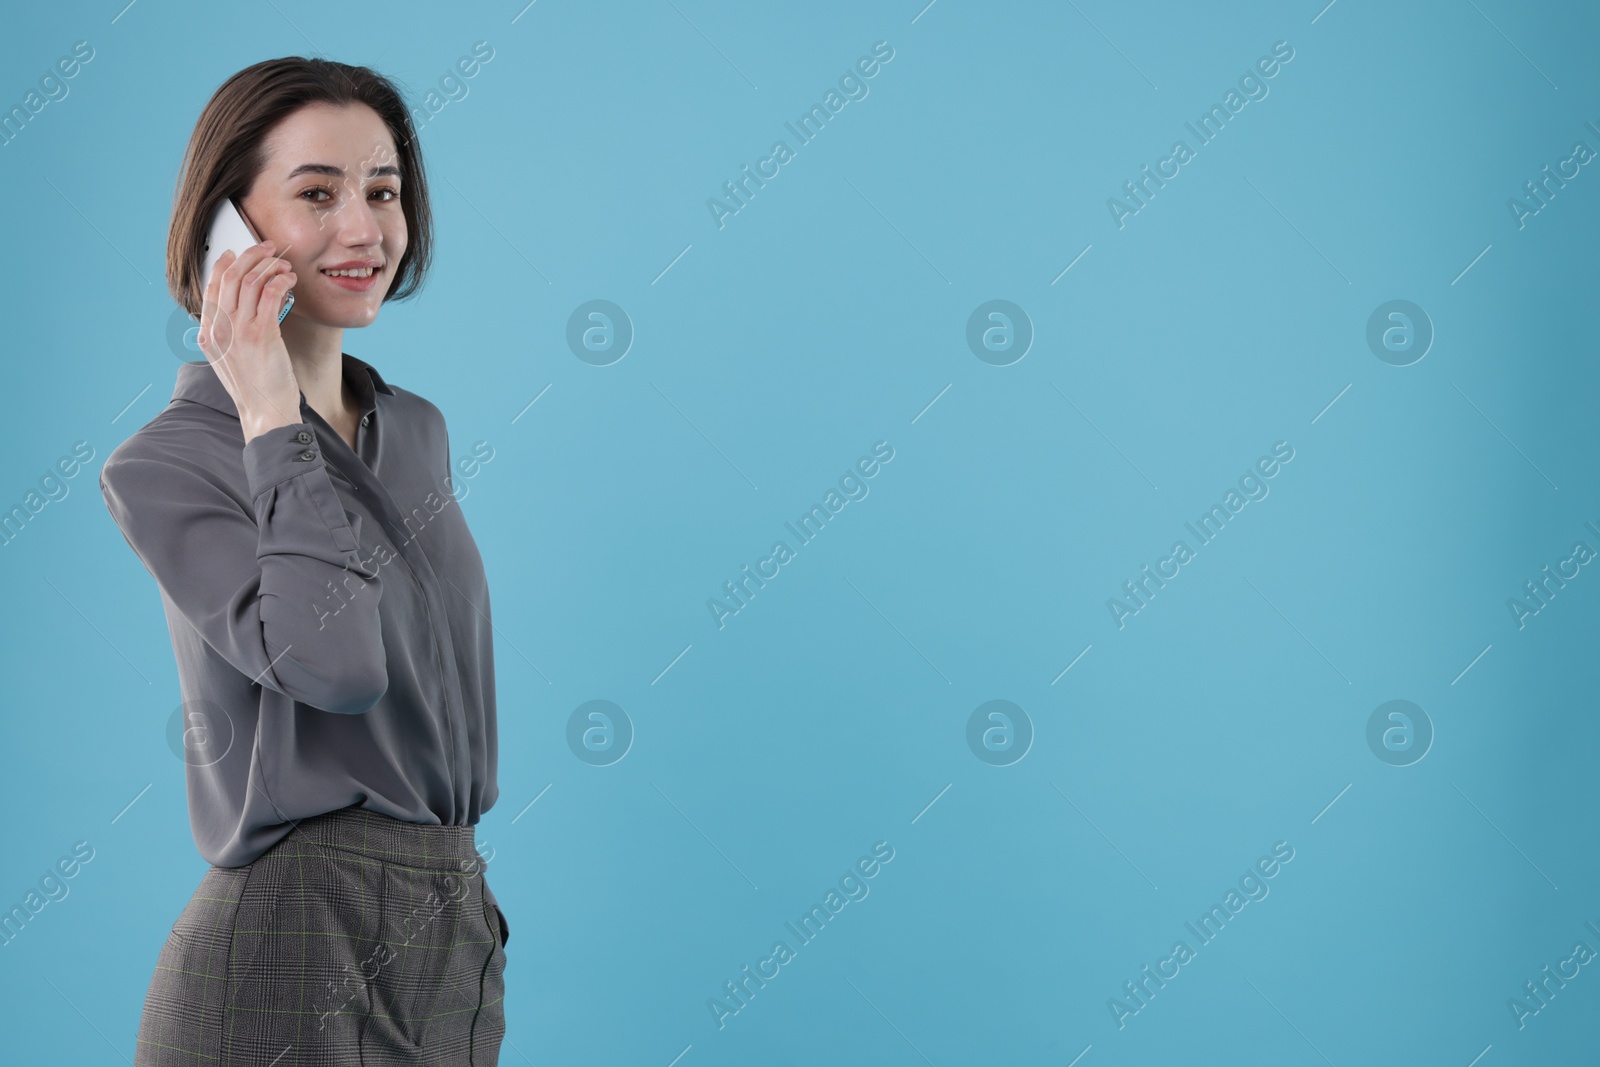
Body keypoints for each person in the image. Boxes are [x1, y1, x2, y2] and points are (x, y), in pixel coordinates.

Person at [99, 56, 507, 1066]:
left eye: (382, 191)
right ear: (224, 226)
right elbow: (337, 667)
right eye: (316, 194)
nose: (364, 229)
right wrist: (269, 410)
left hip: (446, 930)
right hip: (290, 942)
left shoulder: (414, 429)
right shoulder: (168, 462)